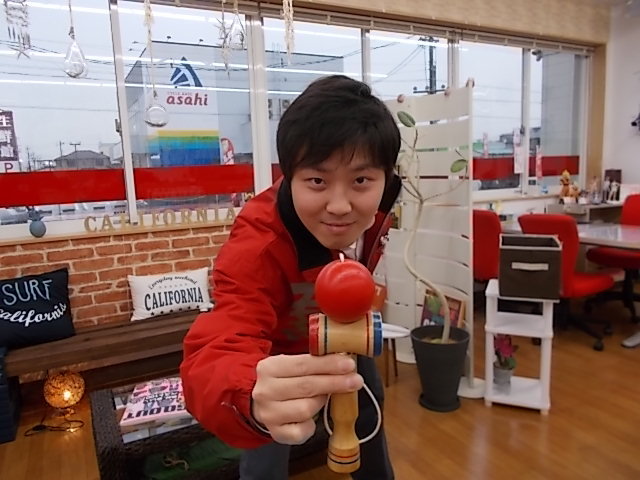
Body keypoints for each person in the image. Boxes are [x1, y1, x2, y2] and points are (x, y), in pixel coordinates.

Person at [180, 75, 401, 480]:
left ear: (385, 176)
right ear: (290, 175)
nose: (339, 205)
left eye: (360, 180)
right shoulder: (258, 245)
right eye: (317, 180)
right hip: (275, 356)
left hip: (345, 329)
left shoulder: (381, 203)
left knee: (369, 412)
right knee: (268, 445)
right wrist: (247, 393)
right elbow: (222, 338)